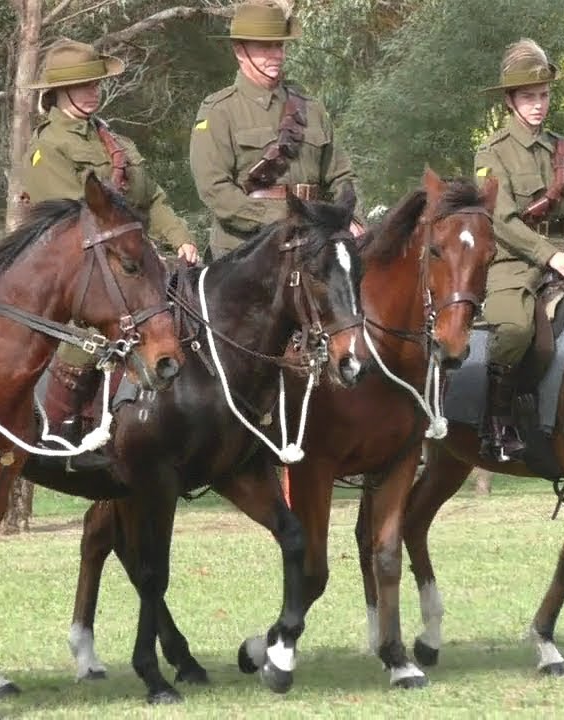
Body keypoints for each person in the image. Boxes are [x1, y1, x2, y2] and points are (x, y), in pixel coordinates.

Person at [21, 39, 199, 471]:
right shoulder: (48, 149)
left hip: (131, 263)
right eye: (82, 85)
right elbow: (73, 222)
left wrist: (180, 237)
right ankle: (55, 434)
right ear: (58, 92)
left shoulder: (113, 141)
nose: (91, 91)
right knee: (96, 339)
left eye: (95, 83)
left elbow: (152, 196)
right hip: (79, 271)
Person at [474, 38, 564, 463]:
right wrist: (548, 256)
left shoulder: (563, 149)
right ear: (511, 100)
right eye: (529, 97)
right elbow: (501, 219)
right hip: (514, 260)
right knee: (514, 331)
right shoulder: (492, 152)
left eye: (544, 96)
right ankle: (497, 420)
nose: (538, 105)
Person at [189, 0, 363, 261]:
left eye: (279, 45)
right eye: (265, 46)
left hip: (314, 248)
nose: (277, 55)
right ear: (239, 50)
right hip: (248, 254)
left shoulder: (311, 109)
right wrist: (284, 218)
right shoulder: (219, 111)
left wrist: (350, 218)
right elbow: (215, 190)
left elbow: (341, 176)